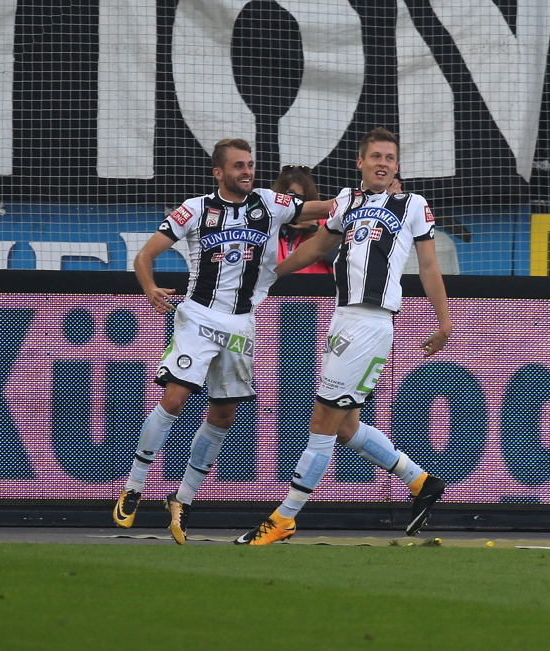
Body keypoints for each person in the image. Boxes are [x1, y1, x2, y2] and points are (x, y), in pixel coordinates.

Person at [236, 128, 454, 545]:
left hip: (371, 323)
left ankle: (286, 516)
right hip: (343, 320)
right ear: (360, 162)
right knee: (346, 427)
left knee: (322, 419)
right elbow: (317, 248)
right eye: (375, 156)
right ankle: (420, 482)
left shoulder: (412, 204)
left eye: (390, 158)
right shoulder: (347, 202)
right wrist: (267, 275)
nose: (383, 163)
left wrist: (444, 322)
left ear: (397, 167)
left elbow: (428, 266)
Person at [112, 138, 332, 543]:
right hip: (197, 316)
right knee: (175, 398)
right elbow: (144, 257)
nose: (247, 171)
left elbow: (321, 208)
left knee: (224, 414)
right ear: (218, 172)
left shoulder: (268, 202)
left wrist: (363, 200)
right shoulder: (194, 209)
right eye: (238, 166)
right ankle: (134, 486)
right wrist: (149, 287)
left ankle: (183, 499)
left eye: (250, 164)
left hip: (241, 325)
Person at [273, 164, 333, 274]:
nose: (294, 205)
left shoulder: (325, 224)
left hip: (316, 288)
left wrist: (314, 228)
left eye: (299, 199)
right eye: (288, 199)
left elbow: (340, 257)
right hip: (275, 288)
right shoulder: (268, 225)